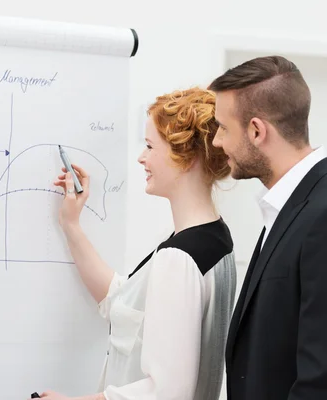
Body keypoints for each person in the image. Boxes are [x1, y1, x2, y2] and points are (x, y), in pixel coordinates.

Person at [33, 88, 237, 400]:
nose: (142, 157)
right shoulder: (214, 239)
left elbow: (167, 391)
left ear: (188, 158)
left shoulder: (180, 258)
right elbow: (123, 304)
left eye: (151, 146)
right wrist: (71, 224)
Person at [210, 55, 327, 399]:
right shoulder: (291, 205)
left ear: (257, 131)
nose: (217, 142)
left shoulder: (322, 215)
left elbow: (319, 381)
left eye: (223, 128)